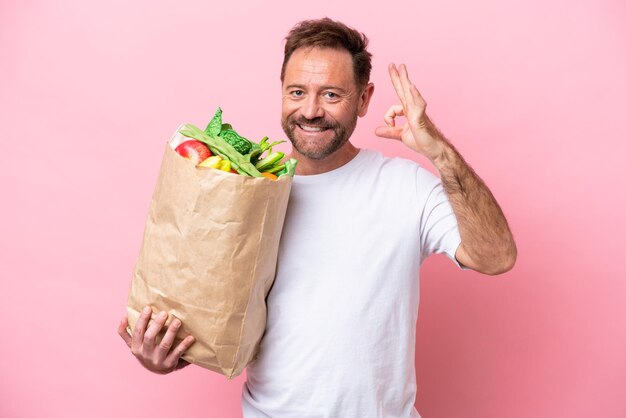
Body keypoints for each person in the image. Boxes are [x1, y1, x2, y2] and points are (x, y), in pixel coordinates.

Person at [118, 17, 516, 417]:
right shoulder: (243, 195)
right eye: (296, 92)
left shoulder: (405, 187)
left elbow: (496, 257)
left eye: (330, 94)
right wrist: (161, 353)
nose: (310, 110)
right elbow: (213, 318)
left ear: (363, 99)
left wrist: (439, 151)